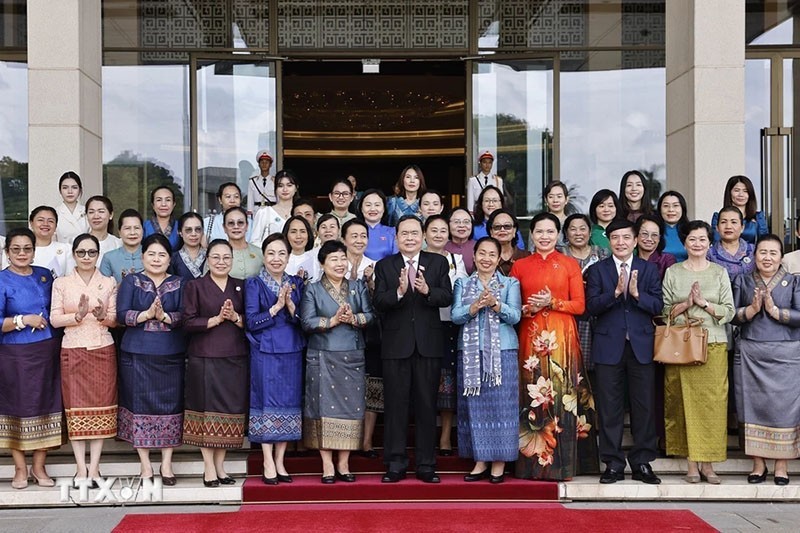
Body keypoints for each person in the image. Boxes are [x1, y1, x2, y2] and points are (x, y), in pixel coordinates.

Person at [511, 213, 598, 480]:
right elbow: (513, 307)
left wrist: (552, 302)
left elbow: (580, 306)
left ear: (558, 235)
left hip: (562, 337)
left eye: (550, 231)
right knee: (532, 394)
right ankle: (532, 466)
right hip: (531, 336)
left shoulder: (569, 264)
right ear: (532, 234)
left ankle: (565, 465)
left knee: (562, 395)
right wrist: (529, 308)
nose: (545, 236)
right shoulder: (520, 266)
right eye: (539, 231)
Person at [373, 215, 453, 483]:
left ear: (423, 236)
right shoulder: (385, 266)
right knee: (395, 407)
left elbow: (447, 296)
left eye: (414, 233)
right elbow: (378, 301)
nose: (410, 238)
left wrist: (428, 290)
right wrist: (398, 292)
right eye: (404, 234)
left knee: (427, 406)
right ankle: (395, 464)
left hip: (428, 345)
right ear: (396, 238)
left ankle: (426, 464)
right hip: (396, 347)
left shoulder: (438, 262)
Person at [585, 219, 664, 485]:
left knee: (644, 407)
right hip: (609, 347)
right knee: (610, 408)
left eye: (626, 237)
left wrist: (637, 294)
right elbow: (591, 307)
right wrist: (616, 293)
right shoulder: (598, 270)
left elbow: (658, 306)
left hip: (641, 346)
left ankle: (642, 462)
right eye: (615, 237)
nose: (621, 242)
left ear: (635, 240)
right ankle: (613, 464)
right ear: (609, 241)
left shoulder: (648, 269)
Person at [662, 220, 735, 484]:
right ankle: (691, 464)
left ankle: (709, 464)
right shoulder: (673, 272)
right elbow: (664, 311)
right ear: (684, 243)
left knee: (713, 405)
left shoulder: (719, 272)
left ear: (710, 243)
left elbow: (729, 311)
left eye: (702, 239)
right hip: (681, 345)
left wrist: (703, 303)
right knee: (683, 403)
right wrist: (685, 304)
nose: (697, 244)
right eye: (692, 239)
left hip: (713, 343)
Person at [301, 240, 375, 483]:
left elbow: (370, 316)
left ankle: (344, 462)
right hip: (322, 354)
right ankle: (327, 464)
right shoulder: (312, 289)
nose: (340, 263)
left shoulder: (357, 286)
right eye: (334, 259)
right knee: (322, 409)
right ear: (322, 264)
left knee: (351, 408)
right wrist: (331, 321)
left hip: (352, 354)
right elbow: (306, 322)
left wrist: (354, 318)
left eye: (343, 258)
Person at [116, 233, 186, 485]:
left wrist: (165, 317)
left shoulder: (180, 283)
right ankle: (145, 465)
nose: (156, 259)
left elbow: (185, 315)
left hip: (170, 354)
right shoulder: (131, 281)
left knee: (171, 406)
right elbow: (121, 315)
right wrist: (146, 315)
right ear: (143, 256)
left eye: (162, 255)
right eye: (151, 254)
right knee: (139, 407)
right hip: (137, 354)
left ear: (169, 259)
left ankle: (166, 464)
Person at [50, 233, 118, 488]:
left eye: (91, 252)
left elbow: (115, 319)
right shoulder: (62, 283)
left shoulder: (108, 282)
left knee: (101, 408)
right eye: (81, 252)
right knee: (76, 409)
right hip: (73, 348)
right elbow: (54, 319)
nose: (86, 257)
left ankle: (95, 468)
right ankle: (80, 468)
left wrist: (102, 316)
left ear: (98, 255)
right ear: (74, 254)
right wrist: (77, 316)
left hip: (102, 348)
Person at [451, 237, 521, 483]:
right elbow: (455, 316)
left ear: (499, 258)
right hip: (470, 353)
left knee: (502, 407)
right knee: (475, 408)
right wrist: (473, 307)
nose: (486, 259)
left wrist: (495, 304)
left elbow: (515, 316)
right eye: (482, 253)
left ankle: (499, 463)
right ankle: (480, 460)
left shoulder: (510, 283)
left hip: (503, 352)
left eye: (492, 254)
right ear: (474, 256)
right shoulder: (462, 283)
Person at [732, 235, 800, 486]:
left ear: (781, 257)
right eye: (763, 252)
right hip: (751, 351)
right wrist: (751, 310)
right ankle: (758, 463)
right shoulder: (743, 280)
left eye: (773, 253)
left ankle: (782, 465)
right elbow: (732, 315)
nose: (767, 258)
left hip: (787, 353)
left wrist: (774, 311)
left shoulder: (794, 281)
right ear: (754, 255)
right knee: (751, 407)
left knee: (785, 410)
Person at [0, 228, 64, 489]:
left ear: (34, 251)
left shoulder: (44, 275)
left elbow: (57, 308)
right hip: (14, 354)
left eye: (27, 248)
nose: (22, 253)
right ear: (7, 252)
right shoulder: (2, 280)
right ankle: (19, 468)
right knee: (16, 407)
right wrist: (22, 320)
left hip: (47, 351)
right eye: (16, 249)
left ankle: (39, 466)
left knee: (46, 405)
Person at [182, 239, 248, 488]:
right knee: (205, 412)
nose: (221, 262)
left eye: (226, 257)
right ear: (207, 260)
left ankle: (221, 466)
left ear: (232, 260)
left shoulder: (241, 286)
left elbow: (251, 320)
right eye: (216, 257)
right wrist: (216, 319)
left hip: (234, 357)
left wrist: (235, 317)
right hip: (204, 356)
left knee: (228, 412)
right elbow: (187, 322)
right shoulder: (195, 286)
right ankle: (208, 466)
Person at [246, 234, 306, 485]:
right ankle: (267, 460)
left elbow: (304, 319)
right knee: (265, 403)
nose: (276, 258)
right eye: (271, 253)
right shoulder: (254, 283)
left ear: (289, 257)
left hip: (292, 349)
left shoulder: (296, 283)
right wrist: (276, 307)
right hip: (265, 350)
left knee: (288, 404)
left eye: (282, 253)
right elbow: (251, 321)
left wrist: (290, 306)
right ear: (263, 256)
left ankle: (280, 460)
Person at [424, 215, 468, 456]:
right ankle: (426, 434)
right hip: (422, 325)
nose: (439, 235)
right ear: (424, 234)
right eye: (434, 230)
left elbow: (460, 290)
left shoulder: (455, 259)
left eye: (443, 230)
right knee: (426, 380)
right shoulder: (416, 258)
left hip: (449, 323)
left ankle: (445, 437)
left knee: (448, 380)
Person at [560, 213, 609, 381]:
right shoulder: (560, 254)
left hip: (597, 314)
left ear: (590, 232)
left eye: (583, 229)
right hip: (569, 315)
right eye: (573, 229)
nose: (578, 233)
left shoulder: (602, 253)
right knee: (570, 366)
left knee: (599, 369)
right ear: (566, 233)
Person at [711, 175, 768, 244]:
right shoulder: (718, 217)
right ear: (729, 193)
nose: (741, 194)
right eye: (736, 190)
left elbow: (764, 243)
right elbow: (716, 243)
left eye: (745, 191)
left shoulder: (758, 217)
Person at [251, 170, 300, 247]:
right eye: (280, 186)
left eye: (289, 185)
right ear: (275, 188)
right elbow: (254, 242)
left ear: (296, 188)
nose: (285, 189)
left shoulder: (300, 212)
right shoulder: (264, 212)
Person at [707, 206, 756, 279]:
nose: (728, 226)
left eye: (734, 222)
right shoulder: (709, 254)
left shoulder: (753, 251)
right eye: (723, 222)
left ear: (742, 228)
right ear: (717, 228)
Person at [100, 209, 144, 283]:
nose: (132, 233)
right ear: (119, 232)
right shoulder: (109, 258)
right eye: (127, 228)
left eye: (136, 228)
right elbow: (103, 287)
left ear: (143, 231)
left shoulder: (152, 255)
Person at [30, 205, 73, 278]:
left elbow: (70, 278)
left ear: (56, 226)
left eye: (50, 221)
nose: (45, 224)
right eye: (40, 220)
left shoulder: (66, 249)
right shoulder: (23, 250)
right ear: (31, 223)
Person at [222, 207, 263, 280]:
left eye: (240, 223)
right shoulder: (217, 254)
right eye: (231, 223)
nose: (236, 227)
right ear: (224, 228)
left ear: (247, 226)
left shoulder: (259, 252)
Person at [358, 189, 397, 261]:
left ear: (384, 209)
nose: (373, 209)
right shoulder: (353, 231)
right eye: (368, 205)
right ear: (361, 208)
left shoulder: (393, 232)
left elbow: (397, 259)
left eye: (377, 205)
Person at [487, 209, 530, 275]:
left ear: (514, 230)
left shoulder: (527, 256)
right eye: (497, 227)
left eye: (507, 226)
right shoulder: (485, 259)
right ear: (491, 232)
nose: (502, 230)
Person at [634, 214, 676, 280]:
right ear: (636, 235)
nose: (649, 239)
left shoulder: (667, 260)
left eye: (654, 235)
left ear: (659, 238)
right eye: (644, 234)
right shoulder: (630, 259)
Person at [85, 195, 122, 265]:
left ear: (111, 215)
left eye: (101, 211)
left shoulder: (118, 244)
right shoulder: (79, 242)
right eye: (91, 212)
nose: (96, 216)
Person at [55, 171, 89, 244]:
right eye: (65, 188)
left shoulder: (87, 211)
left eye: (74, 187)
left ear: (80, 190)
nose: (70, 191)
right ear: (60, 190)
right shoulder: (55, 213)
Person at [466, 151, 504, 216]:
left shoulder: (498, 180)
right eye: (484, 162)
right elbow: (470, 202)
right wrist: (471, 216)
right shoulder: (473, 180)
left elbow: (500, 200)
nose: (487, 165)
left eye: (490, 162)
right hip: (478, 213)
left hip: (494, 212)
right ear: (480, 163)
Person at [143, 185, 180, 251]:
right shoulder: (144, 226)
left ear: (174, 204)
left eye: (168, 200)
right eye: (159, 200)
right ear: (153, 205)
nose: (163, 204)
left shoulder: (180, 226)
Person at [171, 212, 206, 280]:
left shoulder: (211, 256)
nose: (193, 234)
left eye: (198, 229)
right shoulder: (172, 259)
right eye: (188, 230)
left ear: (203, 231)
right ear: (180, 232)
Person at [657, 191, 690, 262]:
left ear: (682, 208)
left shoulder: (691, 231)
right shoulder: (654, 231)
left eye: (675, 205)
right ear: (660, 209)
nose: (671, 210)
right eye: (666, 206)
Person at [283, 215, 317, 280]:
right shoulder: (279, 259)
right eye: (293, 232)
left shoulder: (316, 259)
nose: (298, 236)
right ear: (286, 234)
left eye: (302, 231)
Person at [446, 207, 476, 274]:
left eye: (466, 222)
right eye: (456, 222)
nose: (462, 225)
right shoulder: (442, 248)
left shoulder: (479, 247)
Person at [247, 150, 275, 216]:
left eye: (266, 162)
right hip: (257, 212)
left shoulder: (276, 181)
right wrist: (249, 216)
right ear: (259, 164)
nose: (264, 164)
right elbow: (250, 201)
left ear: (270, 165)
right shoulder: (252, 181)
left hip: (272, 211)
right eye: (262, 162)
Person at [544, 181, 570, 251]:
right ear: (546, 200)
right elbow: (531, 249)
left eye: (559, 196)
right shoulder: (539, 223)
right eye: (551, 197)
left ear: (566, 199)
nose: (555, 200)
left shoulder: (571, 223)